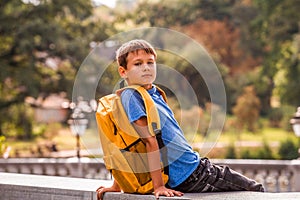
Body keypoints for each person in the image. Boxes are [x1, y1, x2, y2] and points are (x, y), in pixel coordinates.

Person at [96, 39, 264, 200]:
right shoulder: (131, 96)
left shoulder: (152, 93)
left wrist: (117, 186)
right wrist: (158, 186)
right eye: (138, 64)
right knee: (255, 190)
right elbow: (147, 141)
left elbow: (129, 143)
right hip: (191, 173)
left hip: (192, 169)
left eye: (150, 62)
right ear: (123, 71)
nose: (146, 68)